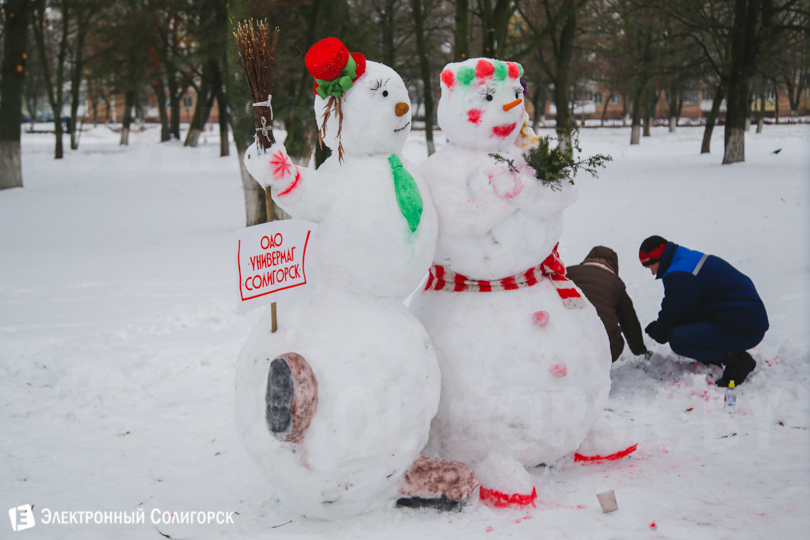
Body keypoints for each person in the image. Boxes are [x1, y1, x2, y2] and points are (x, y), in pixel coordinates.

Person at [639, 235, 768, 386]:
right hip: (744, 319)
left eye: (650, 267)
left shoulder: (679, 273)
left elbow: (674, 312)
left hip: (745, 327)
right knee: (683, 327)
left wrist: (659, 332)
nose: (653, 273)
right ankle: (715, 358)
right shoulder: (685, 259)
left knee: (678, 339)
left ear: (658, 259)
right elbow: (683, 308)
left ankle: (737, 360)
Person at [568, 246, 648, 362]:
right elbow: (630, 322)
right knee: (616, 341)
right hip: (601, 350)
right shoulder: (616, 284)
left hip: (565, 341)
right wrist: (639, 350)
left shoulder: (568, 272)